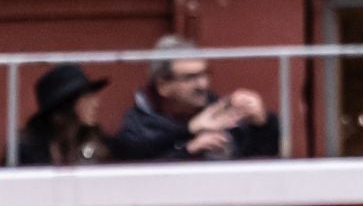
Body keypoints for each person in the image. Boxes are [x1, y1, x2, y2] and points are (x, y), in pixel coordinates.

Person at [114, 35, 280, 162]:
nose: (203, 85)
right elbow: (139, 173)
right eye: (190, 78)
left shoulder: (218, 111)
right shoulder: (139, 124)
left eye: (204, 74)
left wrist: (262, 124)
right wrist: (189, 147)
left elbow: (259, 162)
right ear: (163, 86)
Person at [16, 62, 114, 167]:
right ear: (66, 107)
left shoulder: (98, 142)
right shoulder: (28, 151)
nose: (96, 104)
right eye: (86, 97)